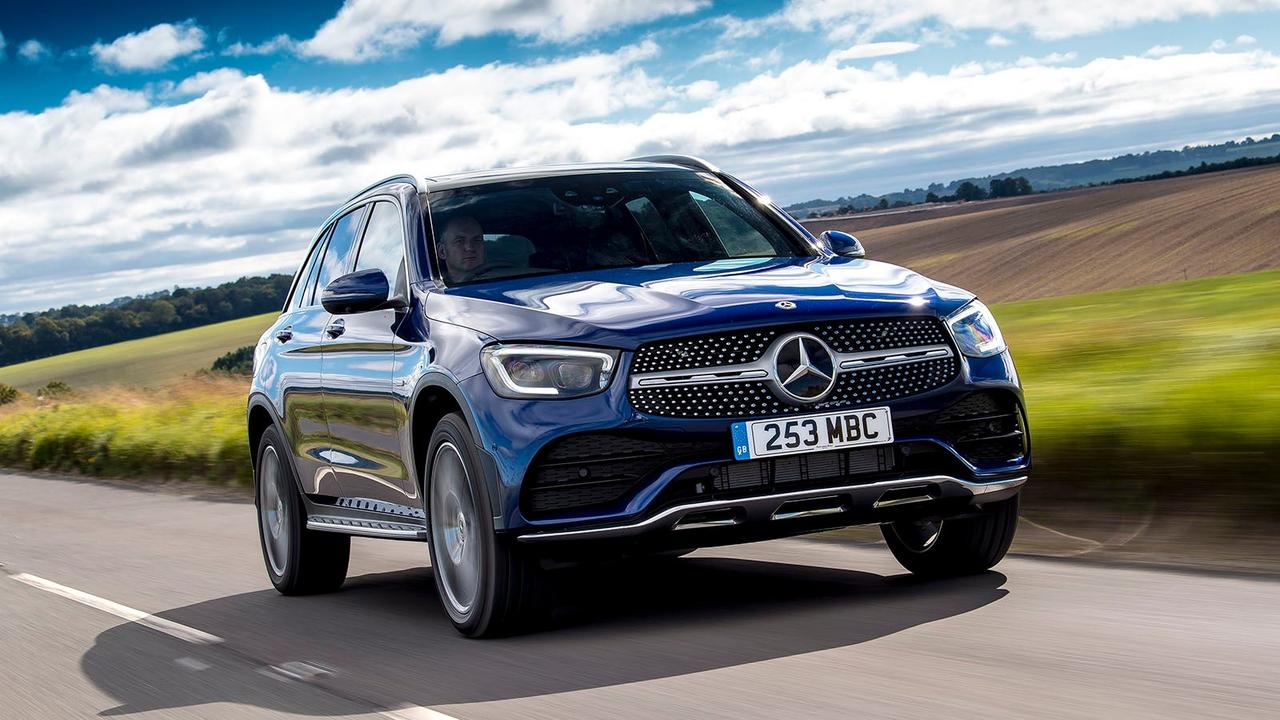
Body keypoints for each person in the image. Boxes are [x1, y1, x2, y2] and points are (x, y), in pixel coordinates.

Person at [437, 215, 486, 282]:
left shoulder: (502, 277)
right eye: (459, 241)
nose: (470, 248)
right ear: (442, 251)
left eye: (477, 240)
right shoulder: (434, 288)